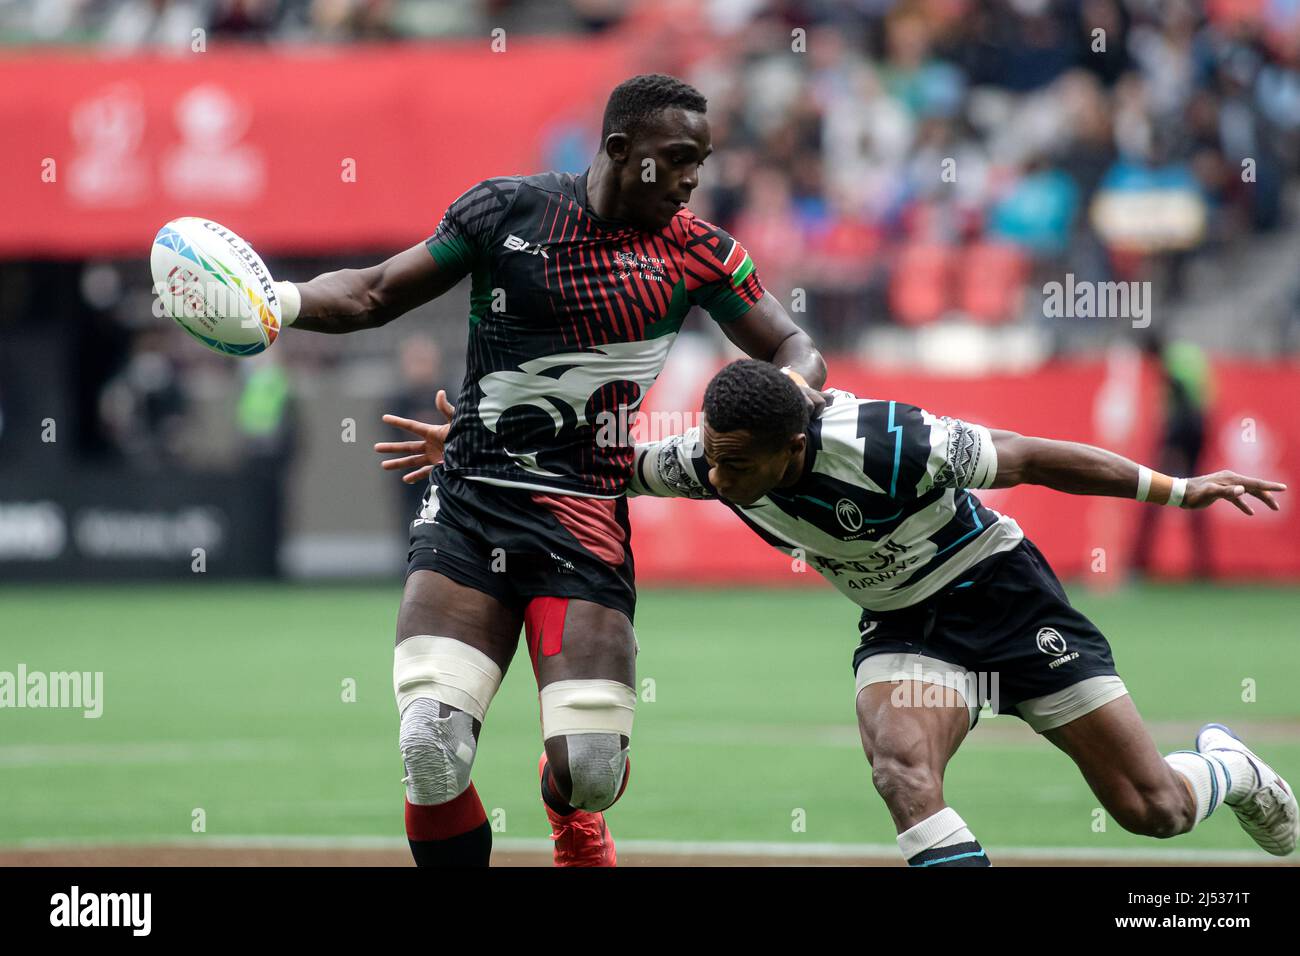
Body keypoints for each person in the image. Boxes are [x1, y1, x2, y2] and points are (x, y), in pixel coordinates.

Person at [380, 360, 1296, 865]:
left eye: (739, 462)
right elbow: (593, 467)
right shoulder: (709, 459)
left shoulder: (895, 443)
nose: (717, 476)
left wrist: (1182, 491)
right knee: (902, 770)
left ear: (796, 444)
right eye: (712, 456)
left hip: (1003, 597)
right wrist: (469, 443)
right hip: (903, 627)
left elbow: (1032, 457)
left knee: (1153, 810)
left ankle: (1227, 768)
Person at [277, 75, 826, 866]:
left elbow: (794, 348)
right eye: (675, 159)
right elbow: (370, 294)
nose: (691, 178)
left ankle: (571, 812)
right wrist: (278, 302)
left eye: (700, 161)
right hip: (471, 509)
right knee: (431, 750)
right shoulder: (506, 210)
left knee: (593, 770)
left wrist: (791, 396)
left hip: (583, 521)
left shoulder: (699, 252)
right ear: (617, 150)